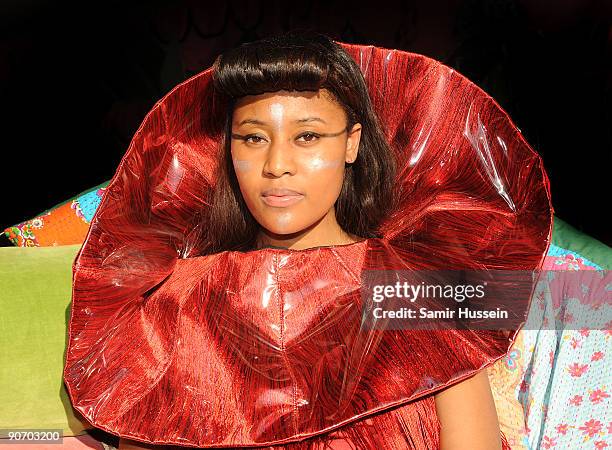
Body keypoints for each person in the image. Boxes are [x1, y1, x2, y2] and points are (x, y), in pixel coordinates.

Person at [63, 31, 553, 449]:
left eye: (307, 137)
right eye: (253, 138)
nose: (277, 164)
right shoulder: (179, 306)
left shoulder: (417, 291)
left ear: (353, 143)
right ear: (227, 147)